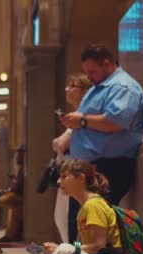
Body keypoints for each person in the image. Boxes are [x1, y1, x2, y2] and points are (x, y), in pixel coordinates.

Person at [60, 45, 143, 242]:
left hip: (109, 166)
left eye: (92, 71)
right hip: (90, 166)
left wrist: (81, 120)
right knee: (79, 223)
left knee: (94, 226)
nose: (88, 77)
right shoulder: (99, 87)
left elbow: (116, 121)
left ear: (107, 64)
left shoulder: (123, 87)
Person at [14, 159, 121, 254]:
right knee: (56, 252)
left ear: (81, 178)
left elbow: (99, 246)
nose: (59, 181)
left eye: (64, 176)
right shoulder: (84, 208)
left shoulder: (94, 205)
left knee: (63, 249)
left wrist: (61, 250)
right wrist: (55, 253)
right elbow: (82, 246)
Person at [52, 74, 92, 242]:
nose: (67, 89)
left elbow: (60, 144)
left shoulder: (84, 114)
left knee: (70, 215)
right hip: (70, 169)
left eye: (73, 86)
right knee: (63, 215)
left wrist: (57, 142)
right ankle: (70, 251)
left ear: (84, 91)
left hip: (77, 171)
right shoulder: (76, 115)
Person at [0, 144, 25, 242]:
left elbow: (19, 185)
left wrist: (12, 189)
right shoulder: (22, 168)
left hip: (21, 196)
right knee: (13, 209)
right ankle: (11, 234)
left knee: (6, 202)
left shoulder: (25, 167)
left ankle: (10, 234)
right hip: (19, 196)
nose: (17, 157)